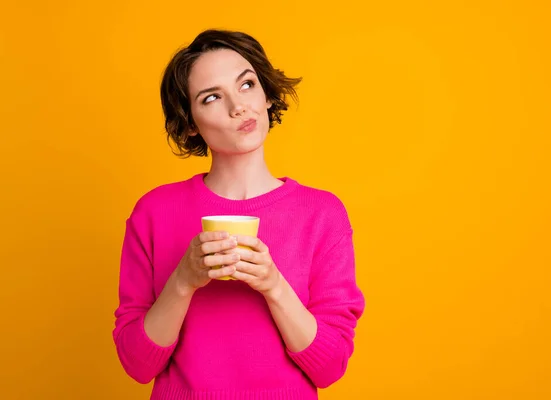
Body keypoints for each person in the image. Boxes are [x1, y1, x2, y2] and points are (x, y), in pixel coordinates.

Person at [112, 29, 365, 400]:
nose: (237, 107)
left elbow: (330, 367)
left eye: (246, 84)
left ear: (265, 94)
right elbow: (137, 364)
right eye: (212, 97)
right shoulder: (153, 212)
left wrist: (273, 285)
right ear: (191, 122)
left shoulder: (322, 214)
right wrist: (184, 279)